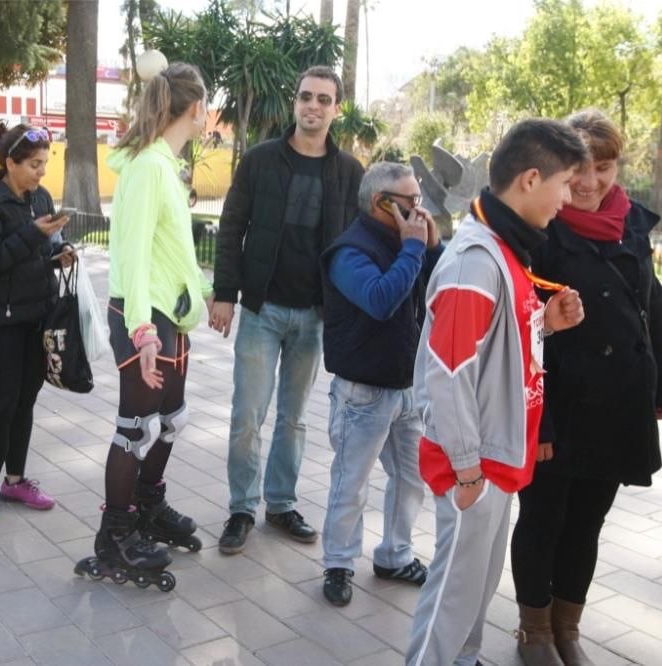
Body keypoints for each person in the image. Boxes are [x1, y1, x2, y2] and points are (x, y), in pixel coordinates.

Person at [406, 119, 589, 666]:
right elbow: (447, 372)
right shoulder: (475, 261)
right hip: (474, 463)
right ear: (532, 179)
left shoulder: (504, 249)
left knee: (475, 592)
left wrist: (546, 324)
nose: (567, 199)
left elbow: (491, 347)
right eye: (565, 184)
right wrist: (466, 470)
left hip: (492, 457)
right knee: (453, 595)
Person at [509, 110, 662, 666]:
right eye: (579, 168)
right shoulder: (539, 232)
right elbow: (522, 333)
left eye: (604, 167)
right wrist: (541, 422)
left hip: (618, 406)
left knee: (586, 523)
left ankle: (567, 626)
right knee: (544, 519)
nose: (591, 182)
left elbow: (651, 305)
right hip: (559, 408)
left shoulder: (630, 224)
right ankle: (534, 632)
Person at [210, 66, 364, 553]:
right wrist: (224, 295)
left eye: (323, 99)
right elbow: (232, 227)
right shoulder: (259, 161)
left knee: (294, 419)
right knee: (247, 416)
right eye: (305, 97)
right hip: (262, 310)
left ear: (337, 109)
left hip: (315, 315)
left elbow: (356, 245)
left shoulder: (349, 172)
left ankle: (279, 504)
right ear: (294, 103)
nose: (312, 106)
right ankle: (241, 508)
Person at [79, 62, 211, 582]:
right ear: (196, 107)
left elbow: (172, 249)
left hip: (169, 318)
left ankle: (146, 509)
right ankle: (115, 536)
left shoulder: (165, 164)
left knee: (170, 420)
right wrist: (142, 329)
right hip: (145, 319)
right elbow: (129, 255)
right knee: (135, 430)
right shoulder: (146, 167)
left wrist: (203, 292)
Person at [318, 162, 441, 606]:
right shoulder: (349, 252)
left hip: (406, 386)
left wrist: (432, 246)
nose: (418, 210)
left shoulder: (403, 241)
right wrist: (413, 248)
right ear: (381, 203)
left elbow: (435, 286)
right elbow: (380, 300)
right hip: (363, 391)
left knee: (411, 478)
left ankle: (394, 555)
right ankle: (338, 562)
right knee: (351, 480)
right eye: (410, 203)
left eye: (419, 201)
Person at [0, 123, 72, 537]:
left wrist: (59, 251)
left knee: (26, 402)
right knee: (1, 406)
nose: (42, 173)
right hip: (2, 320)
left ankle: (16, 482)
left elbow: (43, 247)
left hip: (38, 315)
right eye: (34, 165)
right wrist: (31, 235)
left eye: (45, 164)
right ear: (10, 163)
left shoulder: (39, 196)